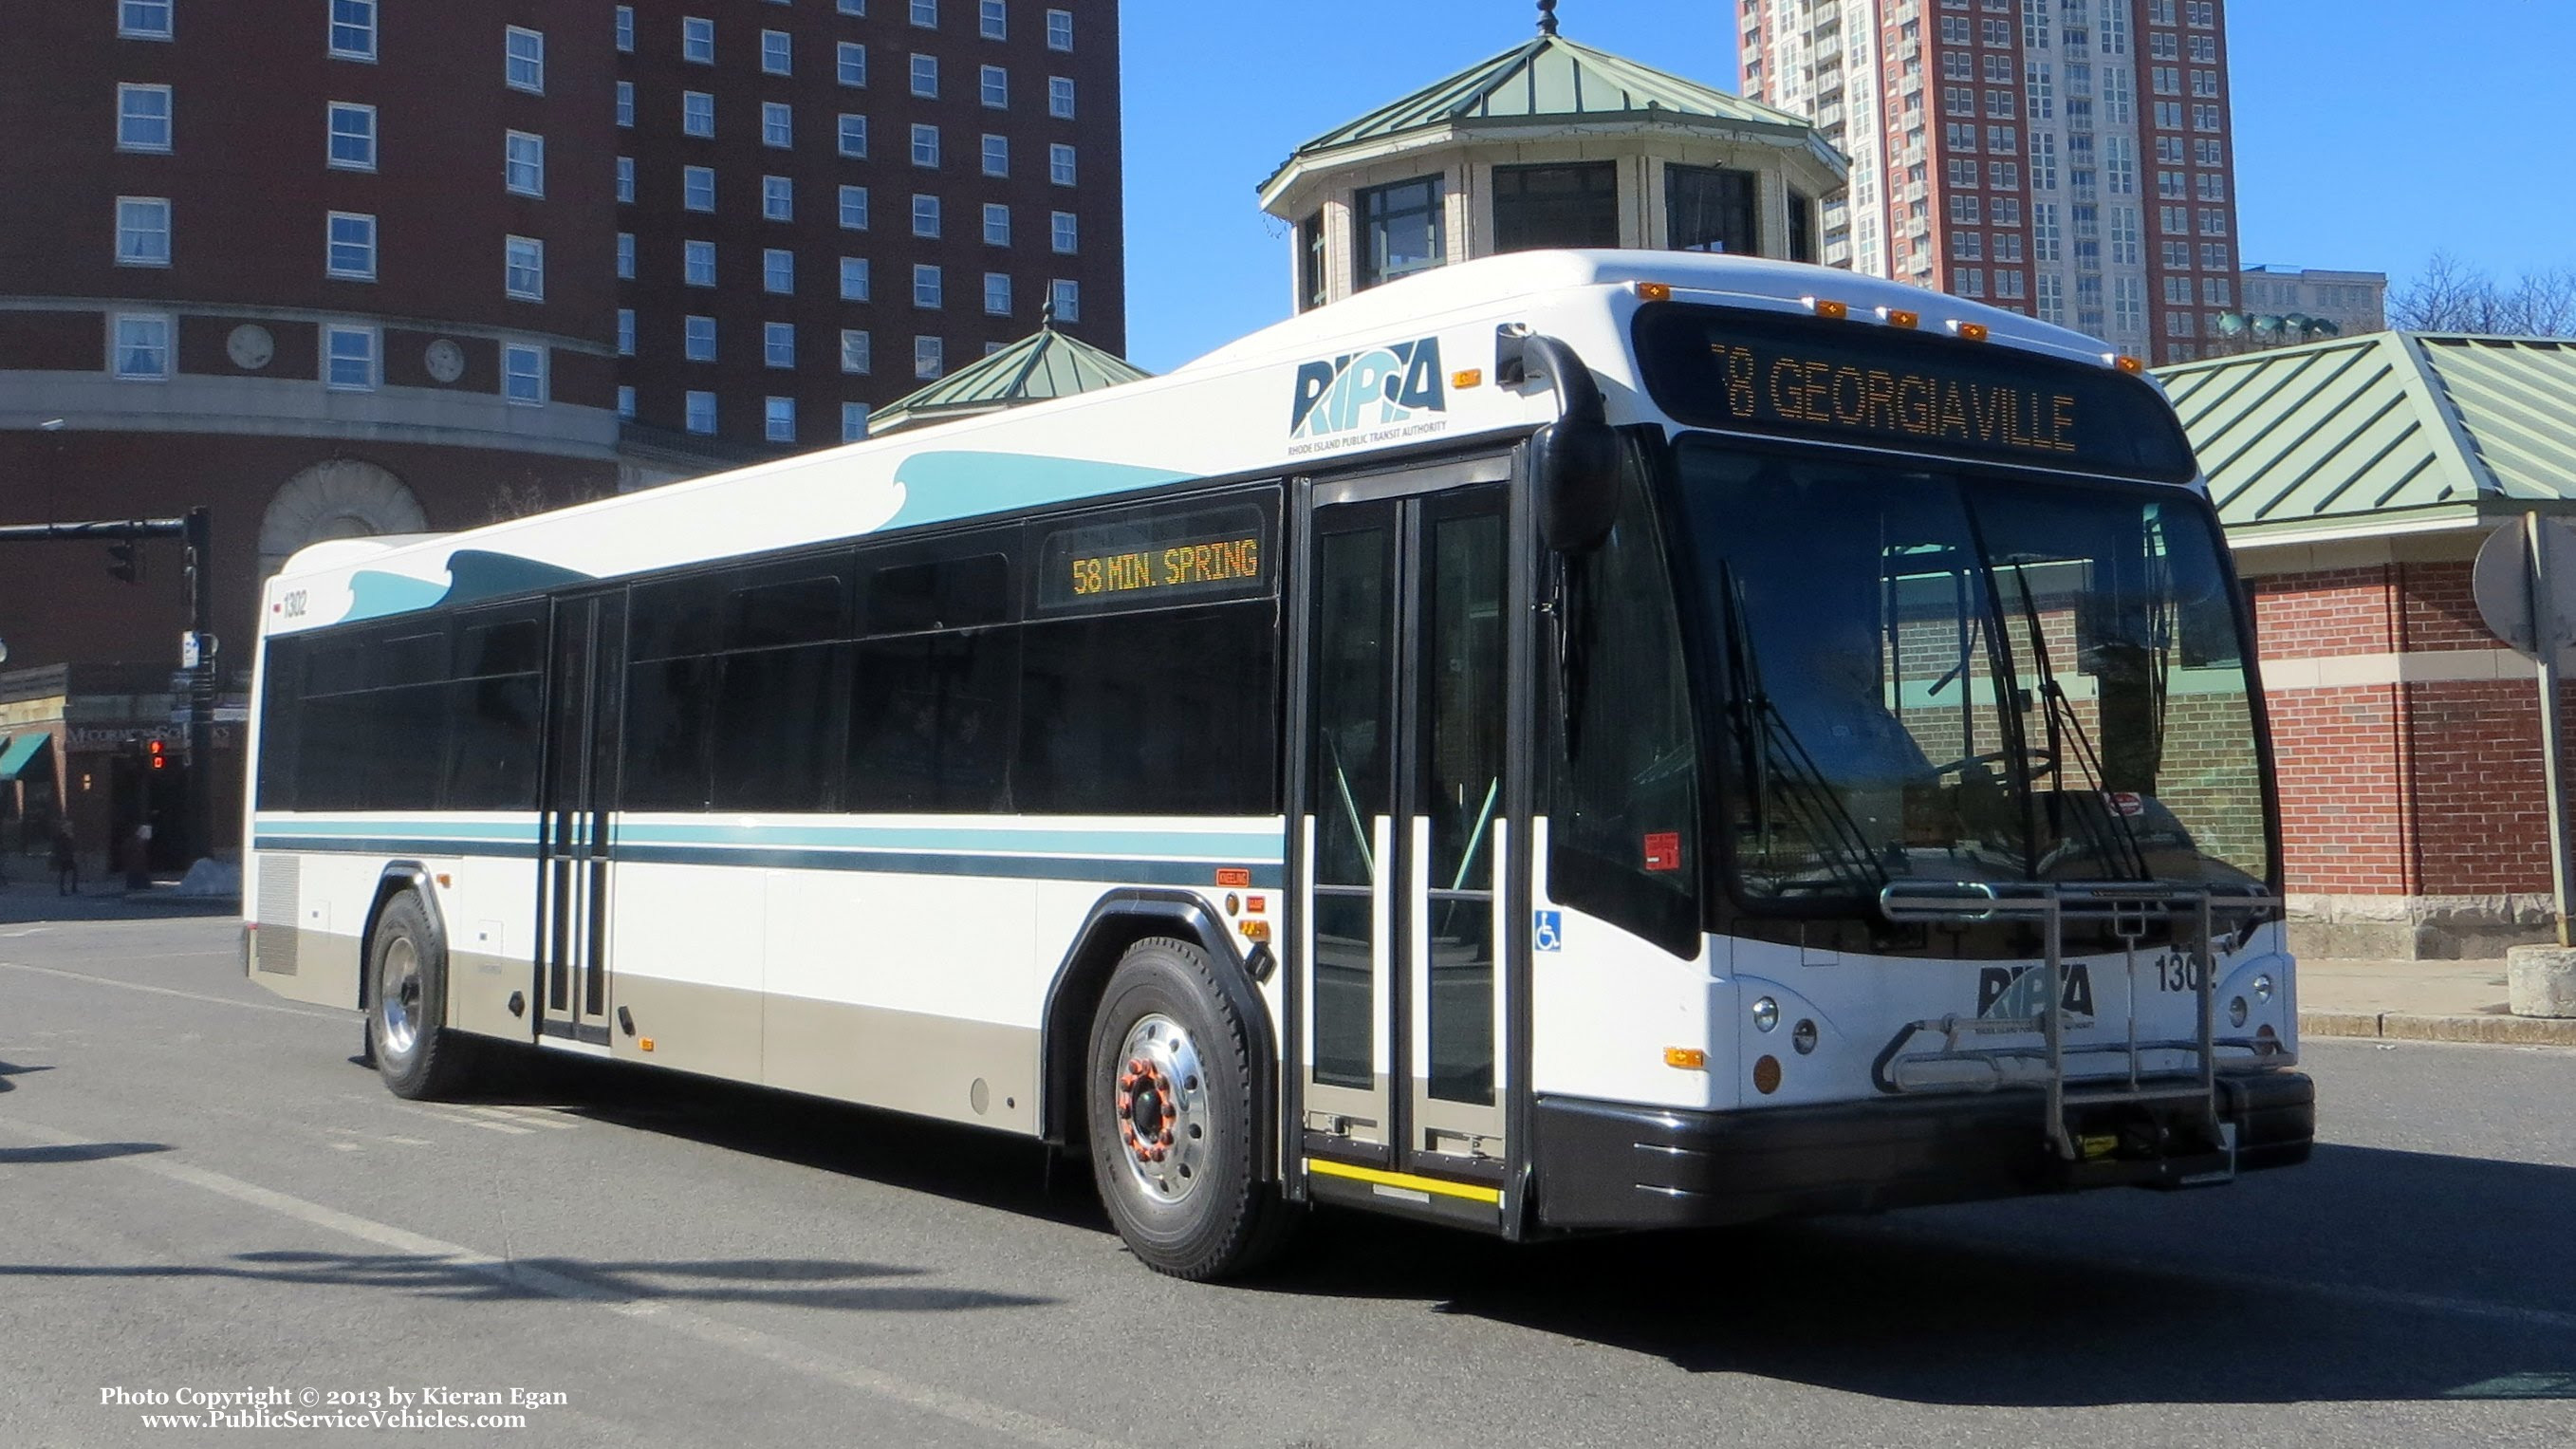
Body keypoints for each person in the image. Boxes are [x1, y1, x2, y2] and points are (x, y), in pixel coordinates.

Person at [49, 822, 77, 896]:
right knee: (64, 873)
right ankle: (64, 889)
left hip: (66, 857)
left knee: (68, 873)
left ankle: (70, 888)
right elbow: (61, 848)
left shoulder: (66, 837)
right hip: (64, 858)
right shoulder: (62, 838)